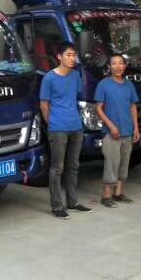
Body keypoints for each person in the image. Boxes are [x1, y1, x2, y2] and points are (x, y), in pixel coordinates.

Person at [39, 41, 92, 219]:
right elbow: (44, 104)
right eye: (68, 55)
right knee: (57, 167)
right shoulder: (49, 78)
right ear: (59, 56)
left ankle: (73, 202)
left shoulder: (75, 75)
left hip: (76, 126)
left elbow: (75, 97)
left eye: (74, 55)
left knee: (74, 165)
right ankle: (57, 205)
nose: (72, 58)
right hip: (58, 128)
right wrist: (52, 123)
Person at [94, 54, 140, 207]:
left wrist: (136, 128)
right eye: (114, 63)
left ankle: (118, 193)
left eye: (121, 63)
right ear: (109, 67)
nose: (118, 66)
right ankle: (106, 196)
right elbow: (98, 108)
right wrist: (111, 126)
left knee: (124, 164)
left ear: (125, 66)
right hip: (111, 133)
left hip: (127, 131)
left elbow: (133, 106)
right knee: (111, 164)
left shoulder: (129, 85)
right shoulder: (104, 84)